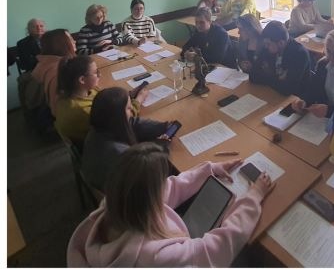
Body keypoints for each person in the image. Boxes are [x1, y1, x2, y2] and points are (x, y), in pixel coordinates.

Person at [68, 142, 274, 267]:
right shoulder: (156, 257)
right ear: (149, 198)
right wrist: (253, 197)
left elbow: (169, 187)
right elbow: (218, 247)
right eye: (161, 182)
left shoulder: (116, 204)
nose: (166, 184)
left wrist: (209, 170)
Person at [81, 87, 173, 192]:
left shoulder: (99, 128)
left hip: (107, 181)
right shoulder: (121, 154)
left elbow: (131, 122)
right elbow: (150, 168)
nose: (132, 110)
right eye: (129, 108)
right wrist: (160, 147)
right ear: (118, 116)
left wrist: (162, 126)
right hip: (127, 194)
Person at [55, 56, 150, 148]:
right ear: (82, 80)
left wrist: (127, 95)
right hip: (104, 144)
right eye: (96, 72)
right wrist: (138, 100)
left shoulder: (83, 91)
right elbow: (123, 120)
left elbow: (108, 100)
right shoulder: (83, 111)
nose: (100, 75)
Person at [249, 21, 310, 97]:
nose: (266, 47)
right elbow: (252, 75)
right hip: (272, 93)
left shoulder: (299, 54)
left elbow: (287, 89)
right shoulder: (269, 48)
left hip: (295, 99)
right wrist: (276, 80)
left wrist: (267, 75)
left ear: (281, 43)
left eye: (268, 44)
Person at [32, 28, 76, 117]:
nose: (75, 41)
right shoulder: (58, 71)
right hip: (64, 116)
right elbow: (58, 109)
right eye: (71, 39)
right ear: (61, 45)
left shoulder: (46, 62)